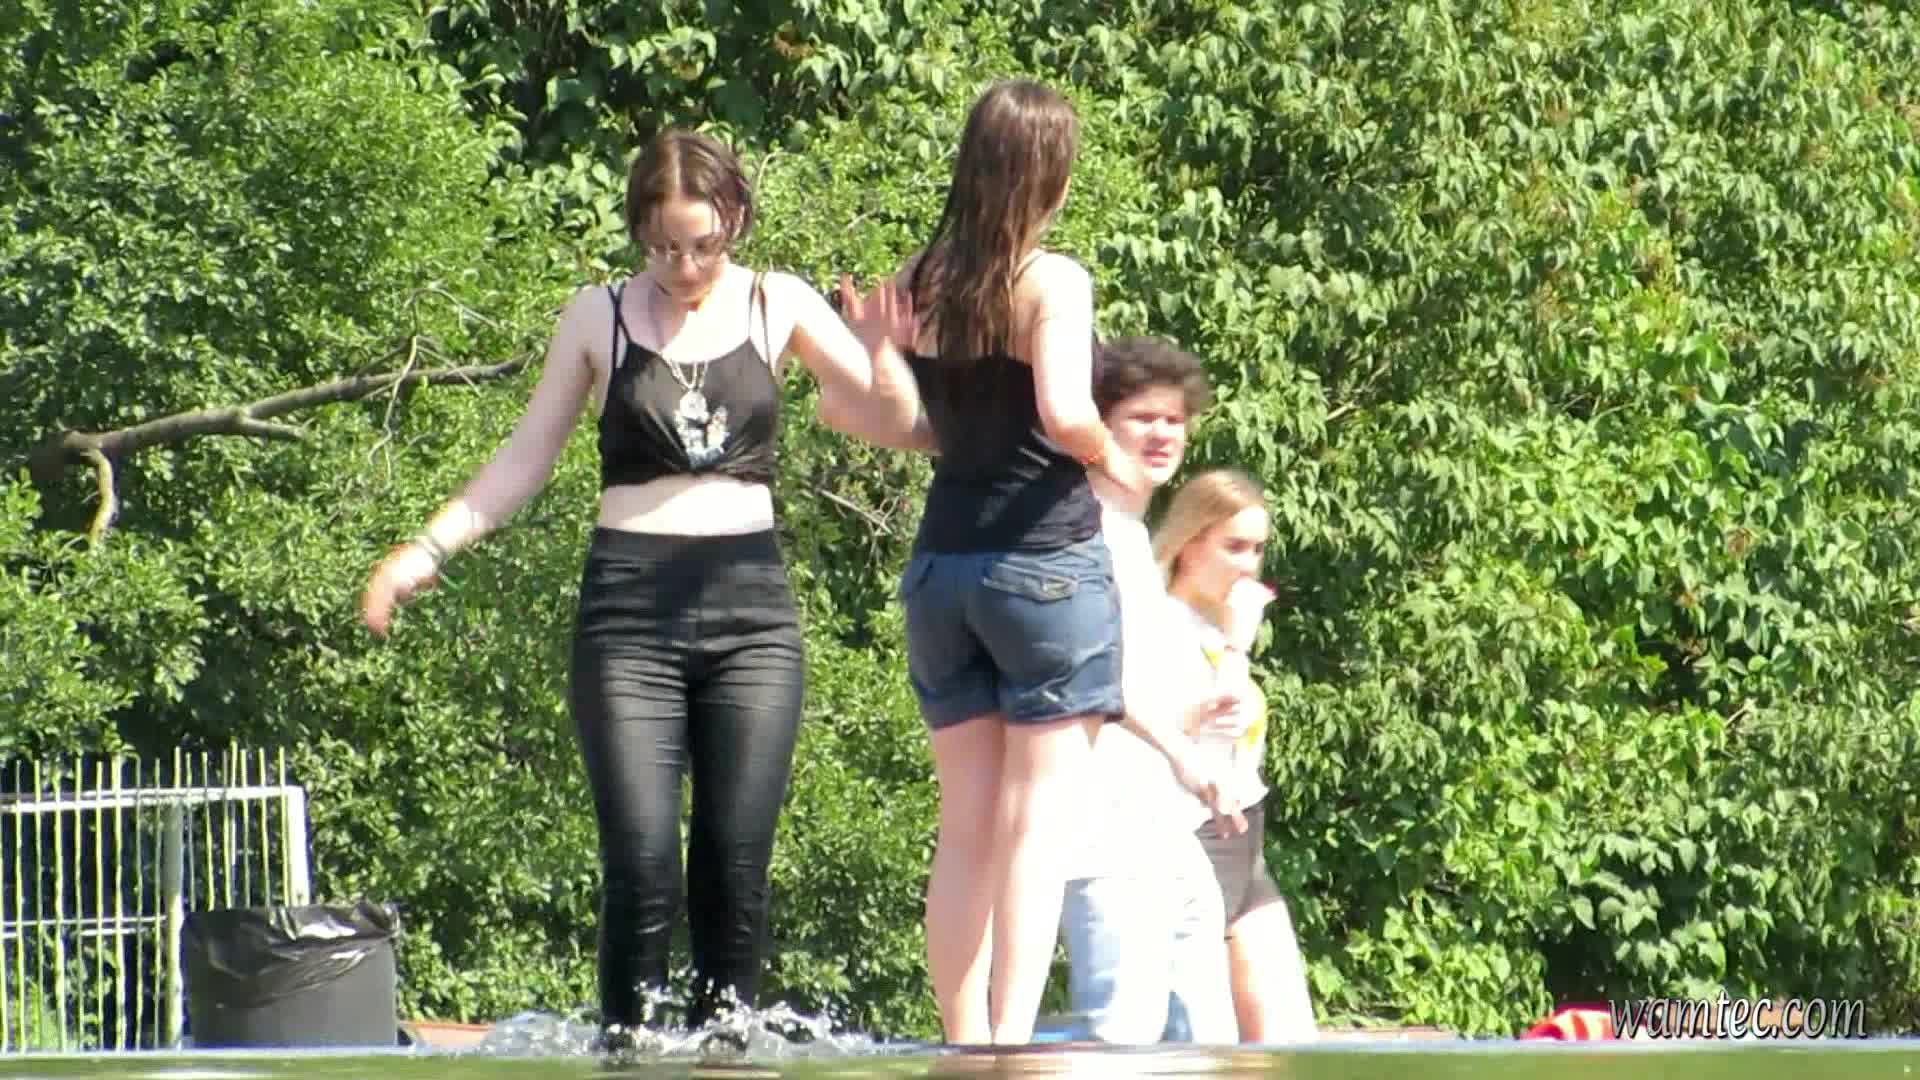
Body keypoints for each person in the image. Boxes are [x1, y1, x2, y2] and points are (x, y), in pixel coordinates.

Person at [359, 127, 905, 1038]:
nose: (684, 267)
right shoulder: (597, 315)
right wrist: (426, 550)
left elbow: (897, 419)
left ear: (735, 219)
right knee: (644, 863)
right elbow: (525, 458)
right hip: (630, 614)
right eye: (662, 247)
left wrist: (886, 352)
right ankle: (629, 1049)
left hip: (751, 615)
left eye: (702, 245)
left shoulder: (777, 300)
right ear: (638, 233)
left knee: (734, 865)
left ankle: (726, 1050)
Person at [829, 79, 1236, 1046]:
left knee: (966, 827)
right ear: (1052, 172)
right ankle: (1008, 1043)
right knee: (1035, 824)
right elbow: (1061, 409)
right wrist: (1113, 462)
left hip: (943, 570)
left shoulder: (922, 275)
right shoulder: (1050, 279)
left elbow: (873, 418)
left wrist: (879, 349)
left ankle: (962, 1039)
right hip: (1044, 565)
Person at [1054, 336, 1243, 1046]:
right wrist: (1185, 756)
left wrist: (1192, 721)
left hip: (1160, 822)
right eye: (1142, 418)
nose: (1163, 433)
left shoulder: (1132, 535)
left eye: (1174, 419)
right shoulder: (1081, 531)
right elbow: (1091, 675)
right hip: (1101, 831)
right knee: (1121, 1036)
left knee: (1207, 1038)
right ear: (1097, 427)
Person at [1153, 469, 1319, 1044]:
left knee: (1286, 1036)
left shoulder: (1210, 623)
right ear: (1188, 542)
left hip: (1244, 840)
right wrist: (1238, 643)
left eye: (1257, 548)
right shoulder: (1163, 622)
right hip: (1196, 839)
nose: (1249, 565)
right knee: (1206, 1038)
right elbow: (1212, 720)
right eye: (1235, 547)